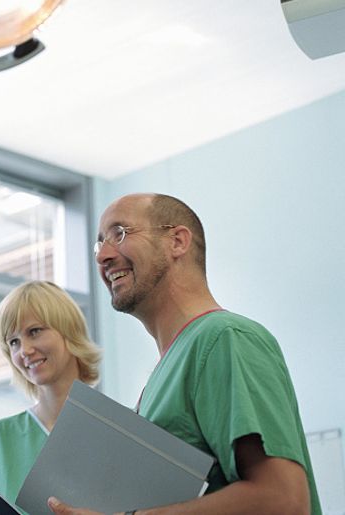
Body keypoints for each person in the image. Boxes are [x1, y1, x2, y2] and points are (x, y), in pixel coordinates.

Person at [48, 193, 320, 515]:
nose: (103, 256)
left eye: (119, 233)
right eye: (98, 244)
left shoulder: (225, 338)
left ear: (177, 242)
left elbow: (283, 501)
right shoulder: (165, 372)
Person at [0, 280, 101, 510]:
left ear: (69, 331)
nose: (24, 350)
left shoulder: (119, 431)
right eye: (13, 342)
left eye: (34, 332)